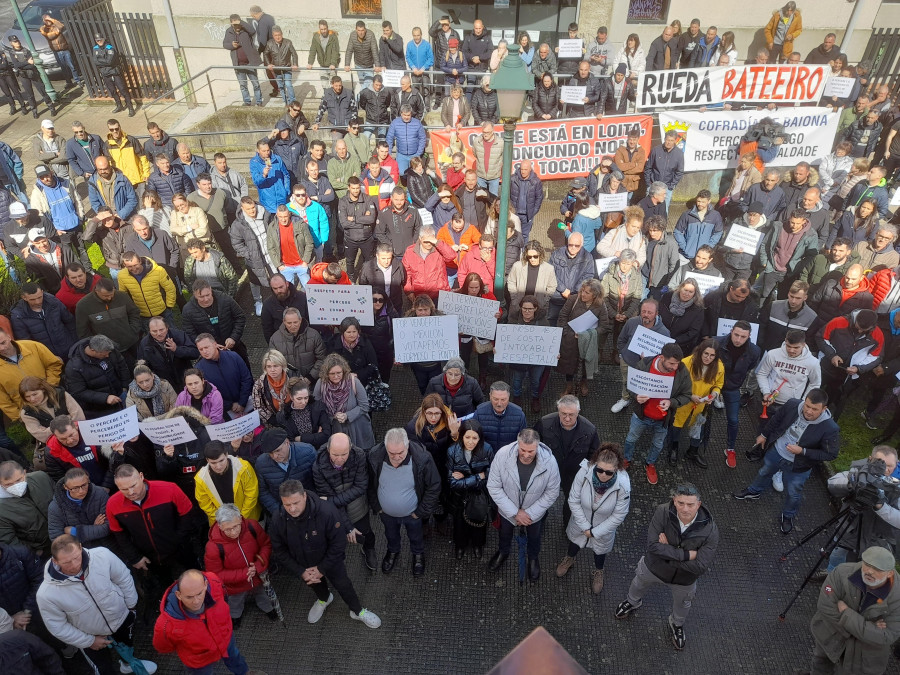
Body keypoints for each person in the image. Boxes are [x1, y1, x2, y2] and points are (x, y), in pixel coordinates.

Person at [615, 483, 718, 651]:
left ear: (699, 504)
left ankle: (677, 624)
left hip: (683, 580)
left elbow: (700, 566)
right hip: (653, 567)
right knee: (638, 584)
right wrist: (686, 554)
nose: (685, 509)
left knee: (683, 604)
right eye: (680, 503)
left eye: (690, 504)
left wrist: (668, 549)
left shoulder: (711, 530)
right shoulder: (663, 511)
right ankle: (632, 602)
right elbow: (653, 546)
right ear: (674, 501)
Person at [38, 535, 157, 675]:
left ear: (81, 547)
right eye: (67, 562)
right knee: (103, 668)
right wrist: (89, 641)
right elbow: (57, 627)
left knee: (128, 646)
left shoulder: (102, 555)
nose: (74, 565)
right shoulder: (46, 594)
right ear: (55, 561)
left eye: (76, 557)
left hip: (121, 618)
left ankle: (127, 664)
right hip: (89, 635)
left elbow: (123, 577)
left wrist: (130, 607)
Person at [734, 388, 839, 534]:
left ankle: (788, 515)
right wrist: (764, 435)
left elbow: (831, 454)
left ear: (824, 409)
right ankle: (754, 491)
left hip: (800, 465)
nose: (808, 411)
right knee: (764, 471)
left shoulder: (830, 428)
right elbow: (776, 419)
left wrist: (802, 451)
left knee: (793, 492)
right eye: (807, 406)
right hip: (777, 451)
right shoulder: (792, 405)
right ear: (804, 400)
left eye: (814, 409)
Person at [154, 569, 267, 674]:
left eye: (199, 593)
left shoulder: (214, 582)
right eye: (189, 597)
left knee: (235, 658)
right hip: (200, 660)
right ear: (178, 595)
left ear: (206, 585)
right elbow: (162, 647)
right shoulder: (165, 624)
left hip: (226, 639)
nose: (196, 601)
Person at [555, 442, 630, 595]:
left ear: (616, 470)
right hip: (580, 522)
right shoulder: (584, 472)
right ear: (595, 464)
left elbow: (619, 515)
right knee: (574, 543)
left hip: (603, 529)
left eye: (609, 473)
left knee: (600, 552)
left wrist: (595, 532)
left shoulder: (623, 486)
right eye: (600, 470)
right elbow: (573, 499)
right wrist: (584, 526)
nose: (603, 475)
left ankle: (598, 571)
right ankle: (569, 559)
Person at [486, 428, 560, 581]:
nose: (526, 455)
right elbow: (493, 486)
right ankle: (503, 552)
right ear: (517, 444)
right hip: (508, 511)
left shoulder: (550, 462)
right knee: (504, 534)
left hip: (534, 514)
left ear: (538, 447)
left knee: (534, 537)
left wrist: (530, 513)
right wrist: (515, 512)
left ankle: (533, 558)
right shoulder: (502, 455)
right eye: (523, 450)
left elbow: (552, 492)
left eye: (531, 451)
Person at [367, 427, 440, 576]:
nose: (396, 457)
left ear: (407, 446)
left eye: (400, 453)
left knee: (416, 536)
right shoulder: (374, 456)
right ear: (385, 447)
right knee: (390, 535)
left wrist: (420, 512)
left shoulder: (422, 459)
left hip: (413, 514)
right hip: (386, 514)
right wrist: (377, 506)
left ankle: (418, 554)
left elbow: (434, 485)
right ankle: (393, 551)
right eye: (391, 453)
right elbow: (369, 484)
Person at [106, 464, 195, 581]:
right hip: (148, 558)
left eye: (133, 486)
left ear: (141, 476)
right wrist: (135, 558)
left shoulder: (169, 489)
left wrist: (179, 539)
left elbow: (187, 514)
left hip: (180, 551)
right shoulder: (113, 504)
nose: (131, 492)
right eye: (124, 489)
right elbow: (119, 534)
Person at [622, 343, 693, 484]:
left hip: (664, 419)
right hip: (641, 415)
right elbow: (629, 385)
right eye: (672, 363)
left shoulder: (682, 372)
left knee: (658, 444)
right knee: (631, 439)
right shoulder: (644, 365)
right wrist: (636, 396)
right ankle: (626, 459)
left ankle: (650, 463)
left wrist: (671, 402)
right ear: (661, 358)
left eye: (677, 363)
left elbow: (687, 395)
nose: (675, 367)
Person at [203, 504, 274, 629]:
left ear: (240, 519)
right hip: (236, 586)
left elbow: (266, 545)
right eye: (228, 529)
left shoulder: (253, 526)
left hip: (258, 576)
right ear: (219, 526)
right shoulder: (213, 547)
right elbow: (216, 574)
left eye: (236, 526)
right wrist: (246, 573)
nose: (234, 532)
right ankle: (235, 616)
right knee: (235, 602)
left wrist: (258, 565)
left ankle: (268, 608)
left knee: (263, 594)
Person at [446, 419, 494, 560]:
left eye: (475, 438)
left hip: (479, 496)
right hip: (460, 497)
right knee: (460, 524)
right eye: (467, 437)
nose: (471, 442)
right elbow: (452, 482)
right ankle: (460, 545)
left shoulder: (487, 449)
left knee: (479, 522)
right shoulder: (452, 451)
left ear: (480, 438)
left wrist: (465, 479)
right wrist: (478, 476)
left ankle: (477, 545)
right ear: (461, 436)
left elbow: (492, 475)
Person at [558, 279, 609, 397]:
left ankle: (583, 382)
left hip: (588, 341)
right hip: (571, 339)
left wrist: (588, 334)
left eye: (587, 293)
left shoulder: (601, 305)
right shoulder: (573, 299)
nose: (583, 294)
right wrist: (567, 333)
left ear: (595, 295)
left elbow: (604, 326)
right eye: (582, 291)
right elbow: (562, 317)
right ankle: (569, 385)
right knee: (568, 363)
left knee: (586, 362)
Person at [182, 282, 250, 368]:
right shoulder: (188, 310)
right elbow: (189, 332)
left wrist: (234, 337)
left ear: (211, 290)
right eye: (201, 297)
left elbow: (240, 317)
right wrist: (209, 345)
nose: (206, 299)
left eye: (208, 295)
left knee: (244, 369)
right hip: (211, 352)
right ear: (195, 295)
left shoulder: (225, 299)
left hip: (234, 347)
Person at [73, 278, 142, 361]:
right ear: (96, 291)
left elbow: (134, 313)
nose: (109, 298)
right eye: (105, 296)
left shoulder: (122, 296)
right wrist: (99, 346)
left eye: (111, 294)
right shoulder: (83, 305)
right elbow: (83, 331)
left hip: (132, 343)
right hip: (109, 351)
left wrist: (133, 330)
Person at [195, 441, 261, 526]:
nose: (218, 466)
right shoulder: (201, 478)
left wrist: (241, 518)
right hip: (222, 524)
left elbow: (252, 494)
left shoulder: (244, 467)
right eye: (213, 463)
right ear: (207, 460)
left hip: (247, 519)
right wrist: (223, 522)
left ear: (226, 455)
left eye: (221, 461)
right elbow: (205, 504)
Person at [64, 335, 128, 419]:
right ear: (93, 350)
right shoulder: (74, 367)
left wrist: (125, 386)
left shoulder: (108, 349)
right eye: (104, 354)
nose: (107, 356)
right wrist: (105, 398)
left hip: (121, 394)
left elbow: (122, 366)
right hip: (99, 409)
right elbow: (78, 392)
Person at [10, 284, 76, 362]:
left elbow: (70, 322)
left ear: (42, 292)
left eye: (39, 297)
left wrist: (75, 345)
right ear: (24, 297)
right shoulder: (18, 315)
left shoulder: (53, 302)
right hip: (48, 358)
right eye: (32, 299)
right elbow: (27, 343)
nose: (38, 302)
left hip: (70, 349)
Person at [0, 462, 53, 554]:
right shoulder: (2, 509)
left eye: (18, 480)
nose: (15, 486)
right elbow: (9, 540)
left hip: (64, 532)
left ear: (24, 473)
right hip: (43, 549)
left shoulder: (41, 478)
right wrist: (34, 554)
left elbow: (60, 500)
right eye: (8, 484)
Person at [194, 333, 253, 416]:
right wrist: (229, 405)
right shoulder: (199, 370)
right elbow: (206, 395)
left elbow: (246, 379)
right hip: (224, 412)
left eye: (206, 347)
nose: (204, 351)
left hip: (247, 403)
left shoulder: (234, 356)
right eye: (201, 349)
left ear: (215, 344)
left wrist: (242, 402)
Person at [118, 251, 177, 327]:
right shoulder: (122, 275)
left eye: (135, 265)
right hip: (142, 314)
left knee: (171, 333)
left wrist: (169, 306)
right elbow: (123, 295)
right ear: (124, 265)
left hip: (163, 311)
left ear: (140, 261)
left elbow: (170, 289)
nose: (134, 269)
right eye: (129, 267)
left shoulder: (158, 271)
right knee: (151, 336)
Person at [268, 307, 325, 382]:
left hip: (311, 380)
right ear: (284, 322)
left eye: (295, 322)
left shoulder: (314, 335)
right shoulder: (274, 339)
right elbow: (273, 363)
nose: (292, 326)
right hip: (286, 382)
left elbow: (322, 358)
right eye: (289, 323)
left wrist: (310, 378)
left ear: (300, 320)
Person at [473, 381, 527, 457]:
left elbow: (523, 441)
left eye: (503, 400)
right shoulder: (479, 413)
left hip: (509, 457)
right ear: (490, 396)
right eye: (495, 399)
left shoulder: (519, 415)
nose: (499, 403)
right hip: (485, 457)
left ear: (509, 397)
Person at [223, 15, 262, 107]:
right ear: (231, 23)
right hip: (238, 64)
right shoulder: (228, 31)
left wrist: (241, 23)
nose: (236, 26)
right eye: (234, 24)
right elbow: (225, 44)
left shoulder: (246, 30)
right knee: (243, 85)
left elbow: (253, 31)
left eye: (237, 23)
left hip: (250, 63)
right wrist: (232, 45)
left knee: (255, 84)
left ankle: (259, 101)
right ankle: (247, 102)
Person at [358, 243, 406, 315]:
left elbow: (403, 280)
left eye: (389, 258)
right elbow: (362, 284)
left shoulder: (398, 265)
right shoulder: (367, 267)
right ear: (377, 256)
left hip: (395, 304)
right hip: (375, 305)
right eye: (383, 258)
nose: (386, 261)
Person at [644, 131, 684, 212]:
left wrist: (671, 186)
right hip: (653, 186)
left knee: (663, 211)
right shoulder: (656, 150)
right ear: (664, 139)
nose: (668, 142)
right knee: (649, 210)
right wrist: (648, 184)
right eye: (667, 140)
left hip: (667, 188)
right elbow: (648, 168)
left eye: (671, 140)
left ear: (675, 141)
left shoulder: (679, 154)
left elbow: (679, 172)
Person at [509, 160, 543, 242]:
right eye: (522, 169)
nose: (523, 172)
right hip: (514, 213)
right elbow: (507, 195)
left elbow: (539, 198)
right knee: (512, 235)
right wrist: (511, 210)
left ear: (530, 169)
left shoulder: (536, 181)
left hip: (527, 216)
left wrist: (533, 212)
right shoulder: (513, 179)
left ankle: (523, 254)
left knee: (524, 236)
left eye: (525, 169)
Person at [344, 21, 380, 93]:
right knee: (362, 84)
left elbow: (374, 50)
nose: (361, 33)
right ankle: (364, 101)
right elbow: (349, 50)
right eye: (359, 30)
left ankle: (358, 98)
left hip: (369, 65)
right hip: (358, 64)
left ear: (365, 30)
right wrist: (347, 64)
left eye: (362, 30)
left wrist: (377, 65)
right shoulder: (352, 35)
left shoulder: (370, 35)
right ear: (356, 30)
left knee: (368, 84)